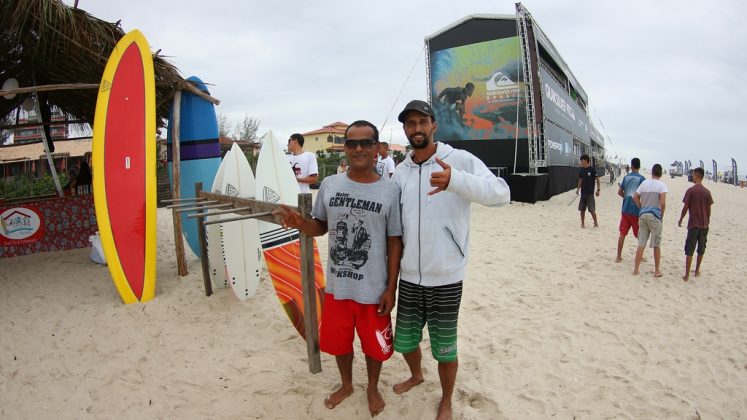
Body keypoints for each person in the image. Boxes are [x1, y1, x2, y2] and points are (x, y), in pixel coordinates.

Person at [273, 120, 403, 416]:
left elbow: (395, 243)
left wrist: (390, 289)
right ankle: (347, 384)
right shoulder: (331, 185)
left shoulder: (390, 191)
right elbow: (320, 226)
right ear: (345, 148)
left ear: (375, 149)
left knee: (373, 347)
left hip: (373, 290)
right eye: (352, 143)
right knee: (340, 343)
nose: (358, 148)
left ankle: (372, 387)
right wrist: (299, 223)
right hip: (337, 288)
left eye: (365, 143)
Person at [391, 100, 510, 420]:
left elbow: (501, 193)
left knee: (445, 348)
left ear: (434, 125)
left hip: (446, 275)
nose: (416, 128)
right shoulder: (400, 171)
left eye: (422, 122)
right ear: (405, 129)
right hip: (410, 276)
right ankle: (417, 375)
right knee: (404, 342)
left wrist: (456, 180)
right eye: (410, 123)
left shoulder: (458, 160)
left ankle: (446, 399)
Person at [677, 167, 713, 281]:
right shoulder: (707, 192)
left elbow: (686, 207)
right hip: (704, 225)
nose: (692, 177)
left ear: (697, 176)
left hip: (694, 224)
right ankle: (697, 271)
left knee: (690, 249)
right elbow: (708, 209)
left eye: (693, 175)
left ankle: (687, 275)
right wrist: (707, 220)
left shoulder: (691, 190)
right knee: (701, 248)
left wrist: (681, 219)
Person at [632, 163, 668, 277]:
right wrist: (661, 214)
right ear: (660, 173)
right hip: (654, 216)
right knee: (656, 244)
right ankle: (657, 270)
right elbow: (662, 203)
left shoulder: (644, 183)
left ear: (652, 172)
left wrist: (641, 207)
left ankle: (636, 270)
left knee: (641, 243)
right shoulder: (661, 185)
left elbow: (635, 197)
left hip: (643, 215)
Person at [616, 158, 645, 262]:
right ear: (639, 166)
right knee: (639, 236)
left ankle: (618, 257)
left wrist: (626, 197)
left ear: (631, 166)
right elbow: (643, 196)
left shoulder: (626, 177)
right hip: (636, 210)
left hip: (625, 209)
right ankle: (640, 256)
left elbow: (619, 192)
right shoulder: (642, 179)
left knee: (622, 234)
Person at [575, 154, 600, 228]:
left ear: (586, 160)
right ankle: (582, 223)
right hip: (583, 193)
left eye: (582, 160)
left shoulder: (592, 169)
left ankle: (596, 223)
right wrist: (578, 188)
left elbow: (597, 179)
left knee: (592, 210)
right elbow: (581, 179)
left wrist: (598, 190)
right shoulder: (582, 169)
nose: (581, 162)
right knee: (582, 209)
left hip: (590, 193)